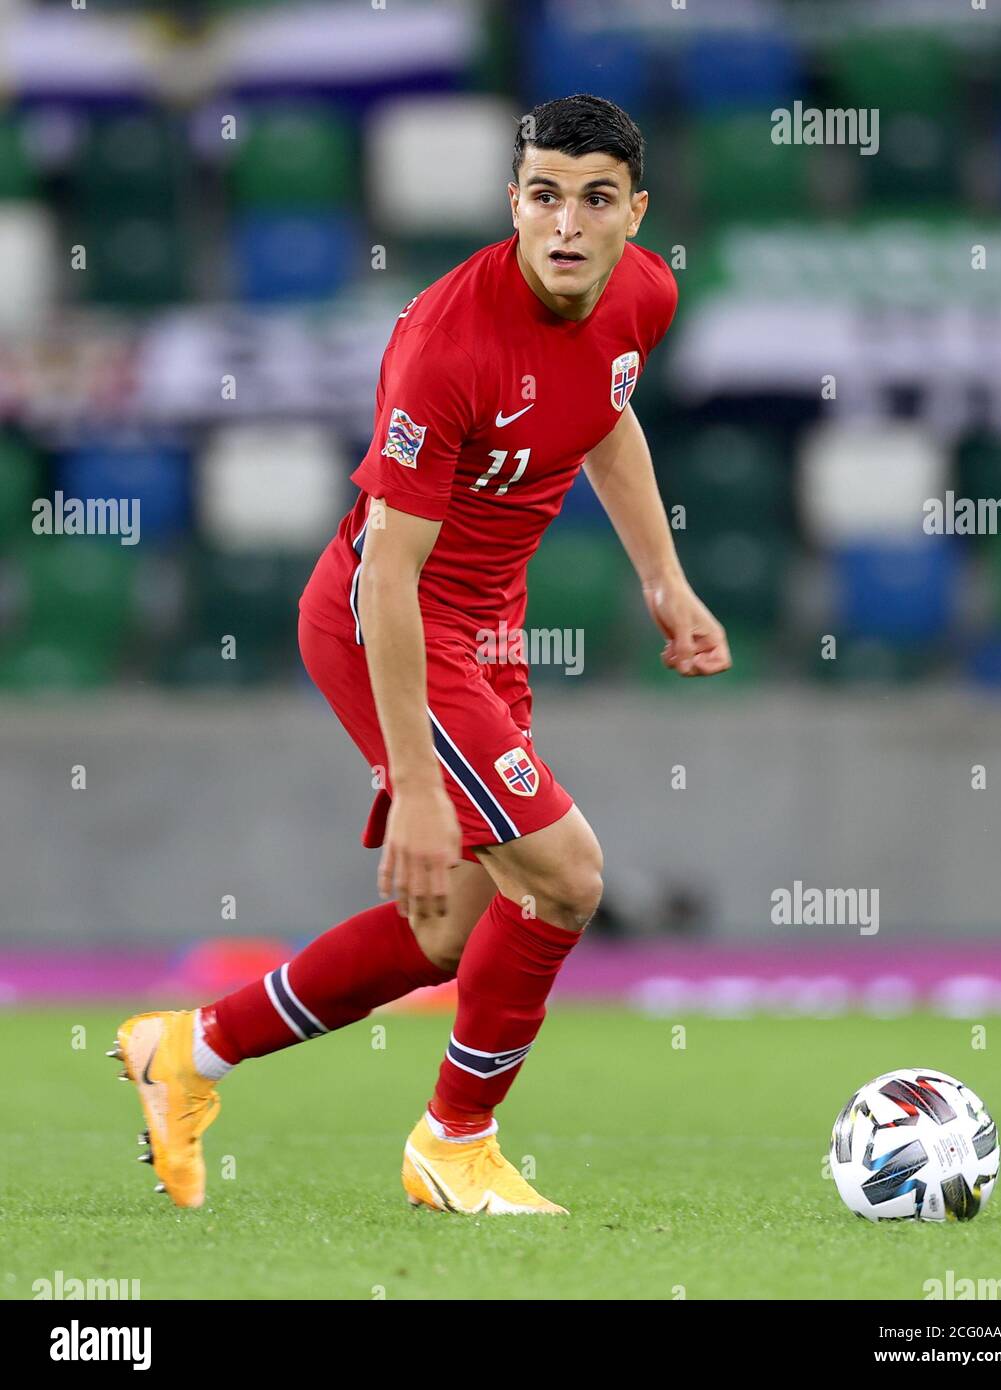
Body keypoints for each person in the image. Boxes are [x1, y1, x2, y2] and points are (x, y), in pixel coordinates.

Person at [112, 93, 731, 1216]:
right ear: (513, 203)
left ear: (635, 214)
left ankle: (188, 1050)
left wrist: (662, 577)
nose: (568, 226)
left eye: (596, 201)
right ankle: (455, 1139)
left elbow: (607, 411)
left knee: (446, 928)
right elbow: (383, 574)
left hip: (488, 623)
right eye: (545, 196)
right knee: (568, 876)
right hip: (386, 620)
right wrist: (411, 784)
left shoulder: (644, 293)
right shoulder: (449, 344)